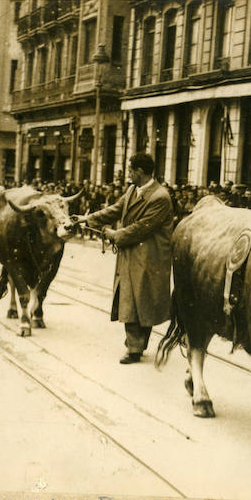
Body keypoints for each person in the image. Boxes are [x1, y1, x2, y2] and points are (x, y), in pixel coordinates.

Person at [72, 153, 174, 364]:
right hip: (134, 255)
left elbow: (140, 228)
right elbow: (115, 210)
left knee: (140, 300)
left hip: (149, 257)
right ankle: (135, 345)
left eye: (130, 170)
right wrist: (87, 218)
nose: (128, 174)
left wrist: (113, 235)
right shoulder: (132, 190)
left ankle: (135, 348)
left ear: (140, 172)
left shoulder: (160, 197)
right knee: (131, 299)